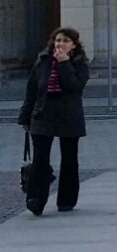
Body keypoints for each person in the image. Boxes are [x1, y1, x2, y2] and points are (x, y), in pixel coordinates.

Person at [17, 27, 89, 215]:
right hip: (43, 115)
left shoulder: (80, 63)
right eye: (58, 40)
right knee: (40, 159)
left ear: (74, 44)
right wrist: (25, 116)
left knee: (69, 159)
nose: (60, 44)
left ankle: (66, 200)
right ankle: (36, 200)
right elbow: (32, 91)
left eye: (65, 41)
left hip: (69, 116)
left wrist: (65, 64)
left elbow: (75, 86)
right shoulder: (43, 61)